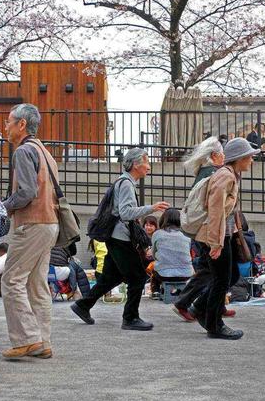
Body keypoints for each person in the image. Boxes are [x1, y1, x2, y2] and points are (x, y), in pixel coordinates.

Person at [71, 148, 170, 331]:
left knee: (111, 277)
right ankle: (130, 318)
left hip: (116, 237)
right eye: (146, 162)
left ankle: (83, 305)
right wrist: (152, 207)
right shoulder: (125, 184)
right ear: (135, 165)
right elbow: (125, 213)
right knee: (138, 277)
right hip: (120, 238)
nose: (149, 166)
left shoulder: (124, 182)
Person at [0, 103, 60, 360]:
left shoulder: (23, 152)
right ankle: (42, 341)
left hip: (31, 223)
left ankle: (27, 339)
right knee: (37, 284)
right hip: (50, 223)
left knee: (11, 280)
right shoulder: (45, 152)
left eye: (8, 122)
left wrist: (3, 206)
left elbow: (26, 193)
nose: (6, 127)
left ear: (21, 124)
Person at [191, 138, 260, 340]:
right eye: (249, 157)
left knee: (229, 275)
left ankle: (200, 307)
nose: (252, 161)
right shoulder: (226, 177)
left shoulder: (230, 175)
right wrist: (216, 243)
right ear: (239, 158)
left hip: (224, 235)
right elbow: (215, 211)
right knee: (222, 279)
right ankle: (214, 325)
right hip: (217, 237)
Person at [173, 137, 231, 321]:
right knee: (215, 271)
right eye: (222, 154)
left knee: (214, 270)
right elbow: (214, 206)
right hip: (208, 230)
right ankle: (189, 304)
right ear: (214, 155)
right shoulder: (214, 173)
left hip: (202, 229)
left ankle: (213, 305)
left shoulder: (203, 171)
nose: (224, 157)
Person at [149, 208, 194, 297]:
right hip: (186, 273)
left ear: (163, 219)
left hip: (163, 274)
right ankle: (179, 292)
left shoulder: (157, 234)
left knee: (154, 267)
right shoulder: (186, 235)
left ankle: (156, 291)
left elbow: (154, 255)